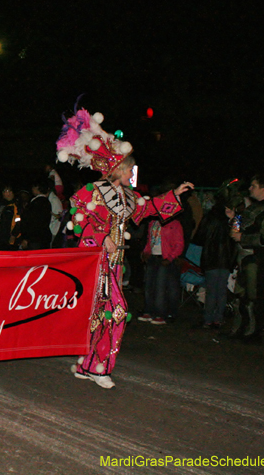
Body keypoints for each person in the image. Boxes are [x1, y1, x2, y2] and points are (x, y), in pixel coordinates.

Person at [56, 105, 192, 388]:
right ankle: (99, 367)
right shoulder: (91, 191)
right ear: (118, 167)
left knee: (100, 314)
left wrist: (174, 196)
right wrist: (99, 235)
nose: (132, 172)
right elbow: (77, 219)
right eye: (129, 167)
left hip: (115, 264)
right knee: (117, 311)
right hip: (97, 262)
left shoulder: (127, 196)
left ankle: (88, 364)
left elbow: (147, 209)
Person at [229, 174, 264, 342]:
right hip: (245, 257)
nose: (250, 189)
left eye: (254, 186)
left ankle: (253, 333)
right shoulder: (253, 208)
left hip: (257, 258)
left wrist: (242, 237)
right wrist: (234, 219)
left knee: (253, 297)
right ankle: (239, 330)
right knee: (240, 297)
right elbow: (240, 222)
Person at [192, 190, 239, 329]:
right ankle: (218, 318)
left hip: (211, 257)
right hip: (226, 258)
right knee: (221, 289)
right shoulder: (232, 218)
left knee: (212, 290)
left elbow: (199, 237)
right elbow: (236, 237)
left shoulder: (210, 217)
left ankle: (208, 319)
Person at [139, 206, 184, 326]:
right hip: (153, 257)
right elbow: (150, 239)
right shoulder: (153, 223)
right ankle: (149, 310)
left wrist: (170, 258)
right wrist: (146, 252)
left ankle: (160, 314)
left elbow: (179, 244)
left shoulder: (174, 224)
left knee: (160, 287)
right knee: (149, 285)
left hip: (164, 258)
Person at [20, 179, 53, 250]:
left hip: (34, 239)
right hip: (44, 237)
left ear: (37, 188)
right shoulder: (47, 202)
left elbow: (30, 222)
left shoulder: (35, 203)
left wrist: (26, 238)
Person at [0, 185, 20, 250]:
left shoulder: (17, 205)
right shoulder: (0, 205)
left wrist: (13, 235)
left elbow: (19, 222)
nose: (8, 193)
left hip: (9, 238)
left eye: (10, 191)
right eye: (5, 191)